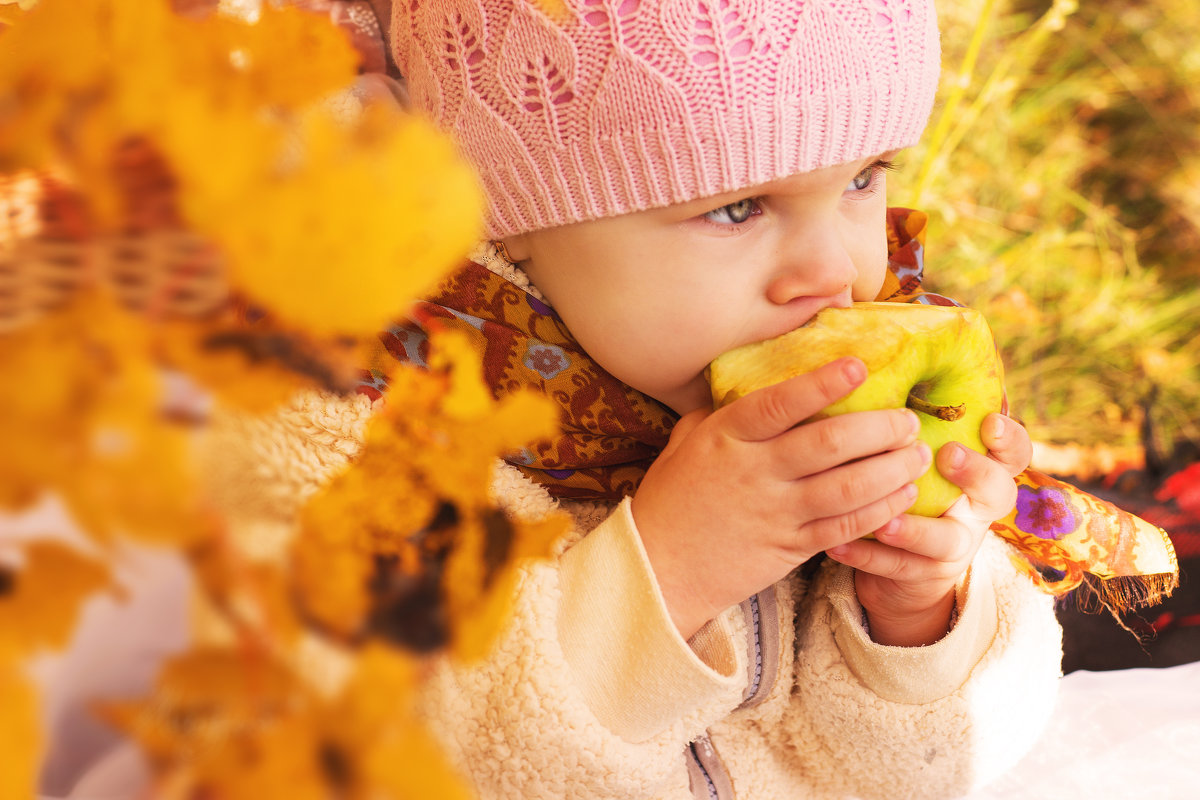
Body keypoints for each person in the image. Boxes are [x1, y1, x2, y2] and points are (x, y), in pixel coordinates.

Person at [319, 2, 1065, 798]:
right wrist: (669, 572)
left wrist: (917, 615)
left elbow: (945, 766)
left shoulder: (840, 368)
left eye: (862, 179)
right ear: (499, 212)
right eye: (736, 207)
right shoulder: (365, 421)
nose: (836, 274)